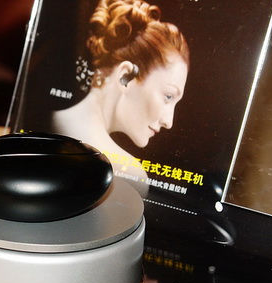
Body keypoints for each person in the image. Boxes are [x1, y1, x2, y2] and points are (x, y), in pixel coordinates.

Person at [52, 0, 189, 194]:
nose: (169, 122)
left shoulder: (48, 119)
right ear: (126, 77)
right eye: (168, 96)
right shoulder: (130, 176)